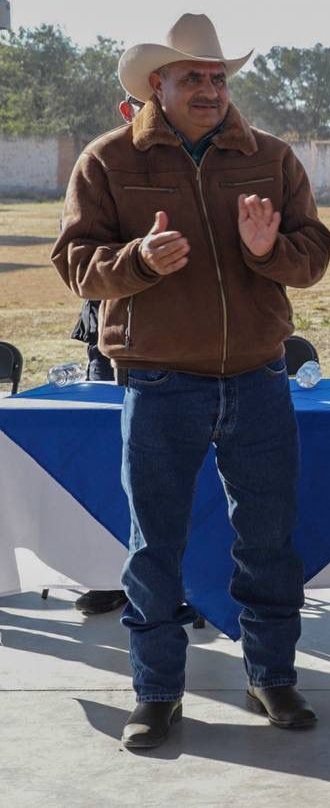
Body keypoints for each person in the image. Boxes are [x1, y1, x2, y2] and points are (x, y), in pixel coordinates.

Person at [51, 13, 330, 748]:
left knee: (269, 539)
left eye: (218, 78)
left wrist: (269, 251)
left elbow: (311, 256)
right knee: (154, 547)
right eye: (193, 78)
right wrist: (138, 262)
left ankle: (273, 677)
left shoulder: (270, 157)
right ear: (158, 85)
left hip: (258, 379)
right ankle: (156, 692)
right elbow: (76, 263)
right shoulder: (108, 161)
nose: (210, 90)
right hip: (158, 383)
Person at [69, 95, 146, 618]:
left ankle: (181, 578)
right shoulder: (106, 163)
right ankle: (108, 573)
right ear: (127, 108)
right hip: (111, 338)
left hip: (180, 348)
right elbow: (80, 255)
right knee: (111, 466)